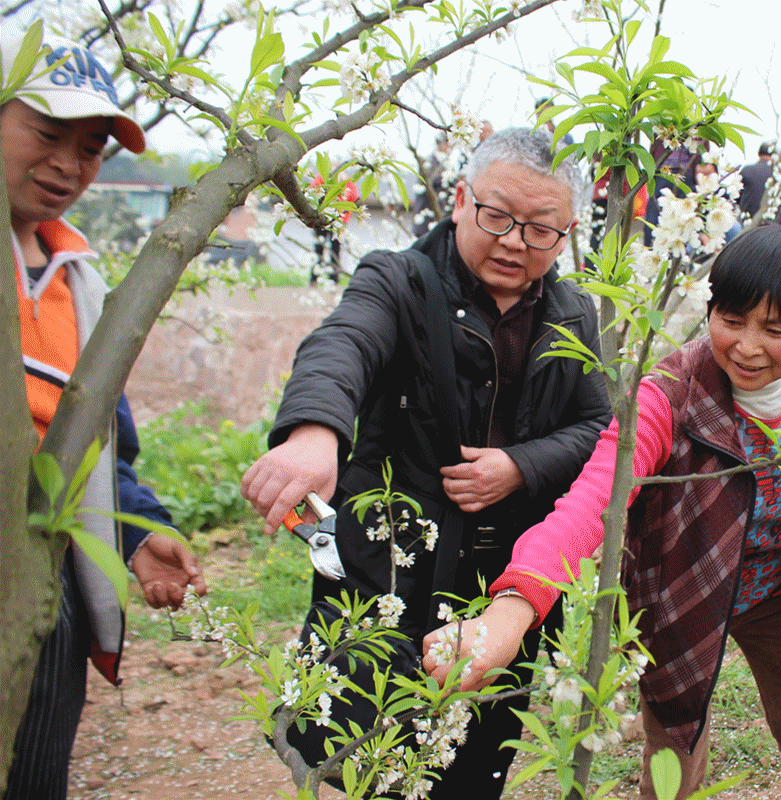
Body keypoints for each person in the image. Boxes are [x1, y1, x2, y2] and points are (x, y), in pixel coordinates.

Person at [241, 127, 610, 799]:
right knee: (366, 758)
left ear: (570, 231)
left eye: (540, 230)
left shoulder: (572, 313)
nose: (512, 243)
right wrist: (314, 431)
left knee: (474, 760)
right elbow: (344, 343)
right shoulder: (399, 280)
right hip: (393, 570)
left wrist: (521, 465)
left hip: (503, 584)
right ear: (460, 199)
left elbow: (596, 428)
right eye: (496, 216)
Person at [424, 225, 781, 800]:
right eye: (730, 320)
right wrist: (511, 611)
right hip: (681, 595)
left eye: (775, 330)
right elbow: (590, 502)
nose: (748, 347)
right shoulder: (668, 395)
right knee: (674, 754)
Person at [3, 34, 207, 800]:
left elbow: (97, 449)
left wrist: (137, 530)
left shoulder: (77, 286)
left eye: (89, 148)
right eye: (47, 134)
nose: (67, 164)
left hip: (47, 587)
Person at [738, 141, 773, 218]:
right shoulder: (776, 174)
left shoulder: (747, 170)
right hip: (769, 221)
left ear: (759, 154)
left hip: (746, 219)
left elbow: (736, 196)